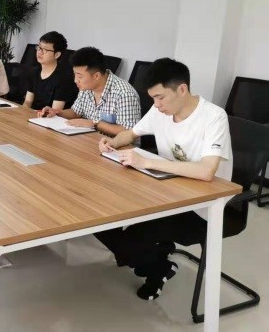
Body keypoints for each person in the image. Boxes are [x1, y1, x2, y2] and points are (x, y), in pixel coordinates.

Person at [95, 58, 232, 300]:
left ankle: (159, 267)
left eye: (160, 98)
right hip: (166, 191)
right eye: (153, 98)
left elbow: (206, 171)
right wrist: (112, 142)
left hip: (202, 207)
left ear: (182, 89)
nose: (156, 105)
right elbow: (132, 133)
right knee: (98, 217)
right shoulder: (161, 111)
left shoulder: (213, 117)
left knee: (128, 242)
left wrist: (147, 162)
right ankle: (156, 255)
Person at [39, 46, 141, 135]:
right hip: (90, 139)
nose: (75, 80)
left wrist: (94, 124)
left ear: (96, 76)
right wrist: (56, 112)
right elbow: (75, 112)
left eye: (80, 76)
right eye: (75, 74)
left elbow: (129, 131)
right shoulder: (86, 87)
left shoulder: (124, 93)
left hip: (118, 147)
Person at [23, 31, 78, 111]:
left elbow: (55, 111)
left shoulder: (64, 77)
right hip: (33, 114)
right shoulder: (33, 71)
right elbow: (28, 102)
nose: (40, 52)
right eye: (39, 47)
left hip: (51, 117)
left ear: (57, 54)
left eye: (45, 49)